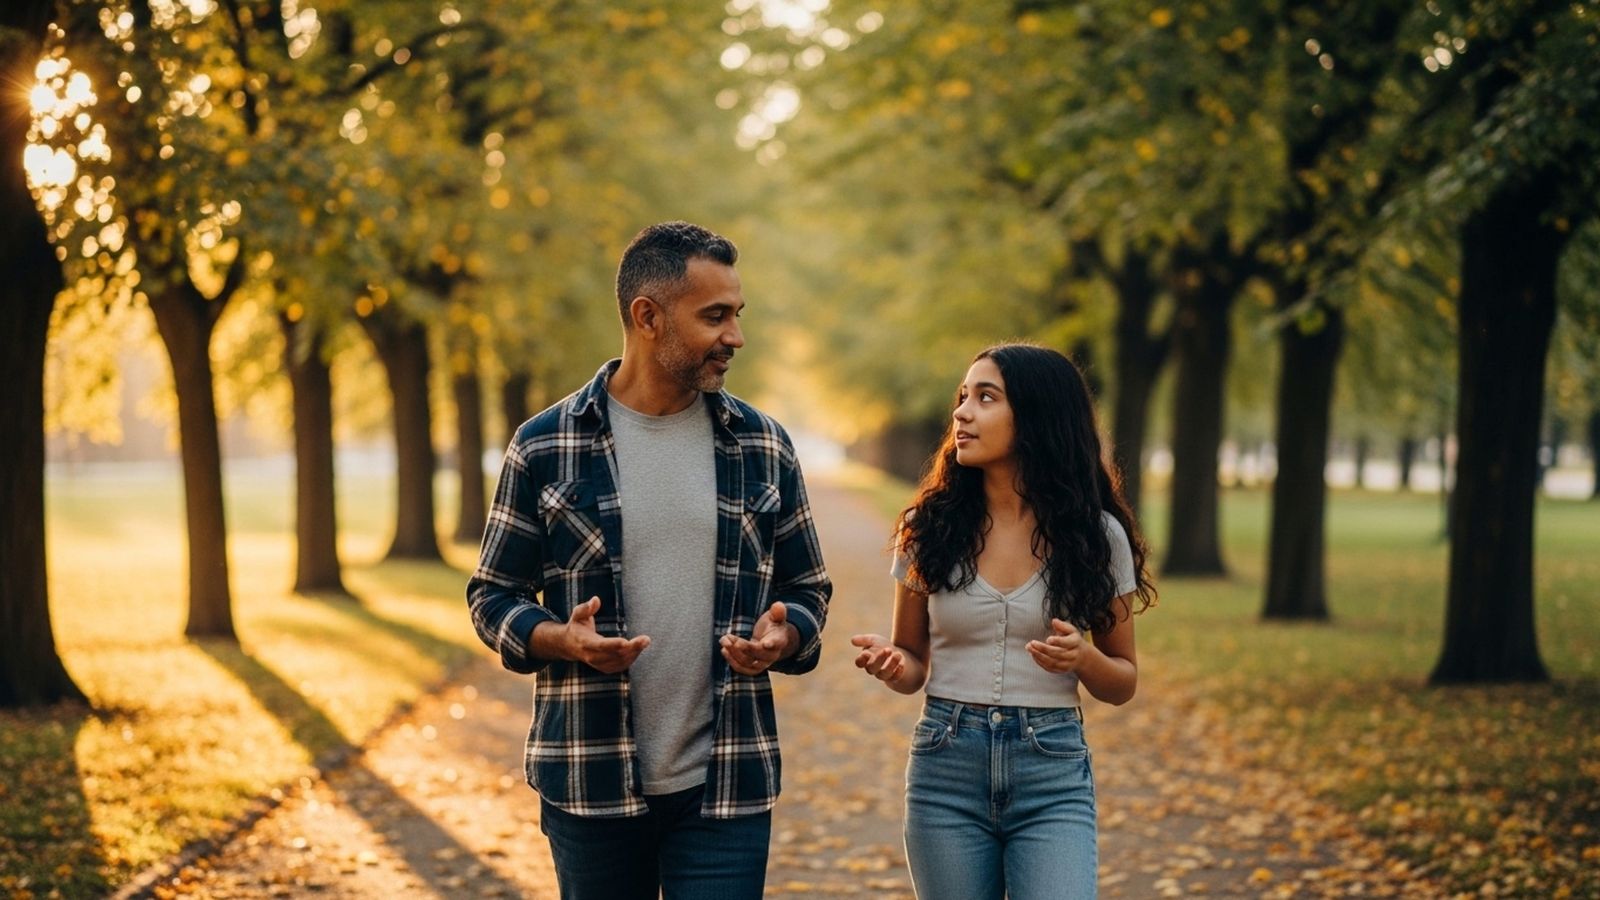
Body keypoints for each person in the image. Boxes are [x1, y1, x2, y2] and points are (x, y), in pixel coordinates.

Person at [467, 221, 832, 900]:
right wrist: (560, 640)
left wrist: (784, 636)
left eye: (737, 315)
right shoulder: (544, 445)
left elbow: (808, 586)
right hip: (590, 779)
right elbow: (491, 595)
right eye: (715, 316)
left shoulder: (763, 445)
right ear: (647, 317)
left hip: (727, 785)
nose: (736, 337)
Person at [850, 342, 1155, 900]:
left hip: (1052, 774)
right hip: (946, 770)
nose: (962, 413)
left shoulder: (1095, 535)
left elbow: (1124, 681)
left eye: (985, 398)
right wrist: (894, 664)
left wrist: (1084, 659)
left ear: (1037, 415)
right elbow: (913, 663)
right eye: (962, 398)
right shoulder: (928, 528)